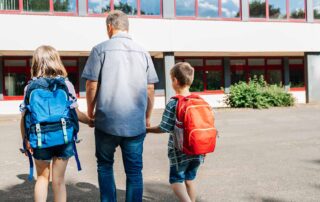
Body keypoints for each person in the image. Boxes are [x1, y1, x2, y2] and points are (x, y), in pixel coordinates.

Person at [81, 10, 159, 202]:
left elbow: (91, 85)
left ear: (109, 27)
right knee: (134, 171)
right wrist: (147, 116)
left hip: (106, 122)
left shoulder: (99, 50)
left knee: (105, 166)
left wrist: (90, 113)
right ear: (127, 27)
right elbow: (150, 88)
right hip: (135, 124)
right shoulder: (143, 51)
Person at [20, 45, 93, 202]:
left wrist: (25, 140)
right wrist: (90, 121)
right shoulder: (66, 85)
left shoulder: (29, 87)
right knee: (59, 181)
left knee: (42, 178)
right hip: (63, 137)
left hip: (39, 139)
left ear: (36, 63)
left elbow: (25, 117)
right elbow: (76, 113)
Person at [147, 62, 204, 202]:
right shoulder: (199, 100)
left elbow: (164, 127)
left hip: (180, 151)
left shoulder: (174, 103)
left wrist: (147, 130)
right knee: (189, 179)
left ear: (175, 80)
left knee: (176, 181)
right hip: (199, 149)